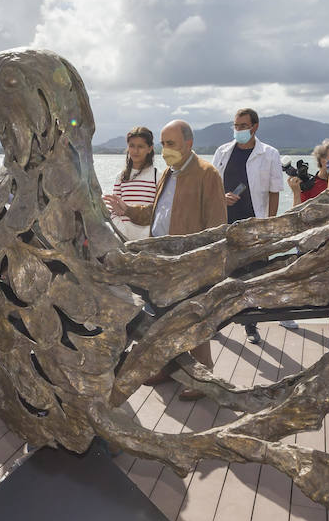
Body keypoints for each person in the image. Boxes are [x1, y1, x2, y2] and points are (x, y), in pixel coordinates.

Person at [103, 120, 228, 399]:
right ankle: (169, 367)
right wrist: (128, 210)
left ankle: (203, 374)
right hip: (162, 260)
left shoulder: (208, 174)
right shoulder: (169, 173)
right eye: (162, 143)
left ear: (188, 144)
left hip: (189, 263)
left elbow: (218, 225)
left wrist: (205, 265)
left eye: (170, 143)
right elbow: (156, 211)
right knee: (165, 317)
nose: (165, 149)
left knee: (193, 320)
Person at [212, 107, 284, 343]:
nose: (239, 130)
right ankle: (215, 323)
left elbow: (274, 192)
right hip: (225, 224)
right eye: (236, 126)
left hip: (255, 225)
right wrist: (221, 197)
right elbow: (211, 186)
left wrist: (269, 226)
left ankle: (250, 325)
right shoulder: (222, 152)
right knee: (222, 277)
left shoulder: (270, 154)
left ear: (255, 127)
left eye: (243, 126)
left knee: (251, 279)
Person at [110, 126, 158, 240]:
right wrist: (122, 231)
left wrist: (146, 235)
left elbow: (158, 211)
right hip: (122, 236)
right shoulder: (121, 177)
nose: (135, 151)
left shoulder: (157, 176)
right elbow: (113, 209)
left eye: (140, 147)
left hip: (147, 238)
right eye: (132, 146)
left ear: (150, 148)